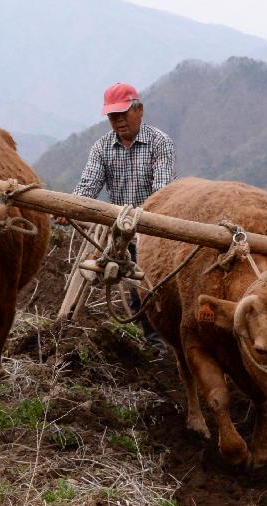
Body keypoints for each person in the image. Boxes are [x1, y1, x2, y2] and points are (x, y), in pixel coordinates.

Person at [55, 83, 175, 351]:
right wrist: (69, 207)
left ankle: (158, 344)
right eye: (113, 116)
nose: (118, 121)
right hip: (118, 231)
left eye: (123, 114)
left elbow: (163, 193)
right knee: (122, 281)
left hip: (152, 230)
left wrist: (143, 222)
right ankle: (64, 330)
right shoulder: (101, 148)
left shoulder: (160, 143)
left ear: (139, 110)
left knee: (147, 287)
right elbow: (88, 186)